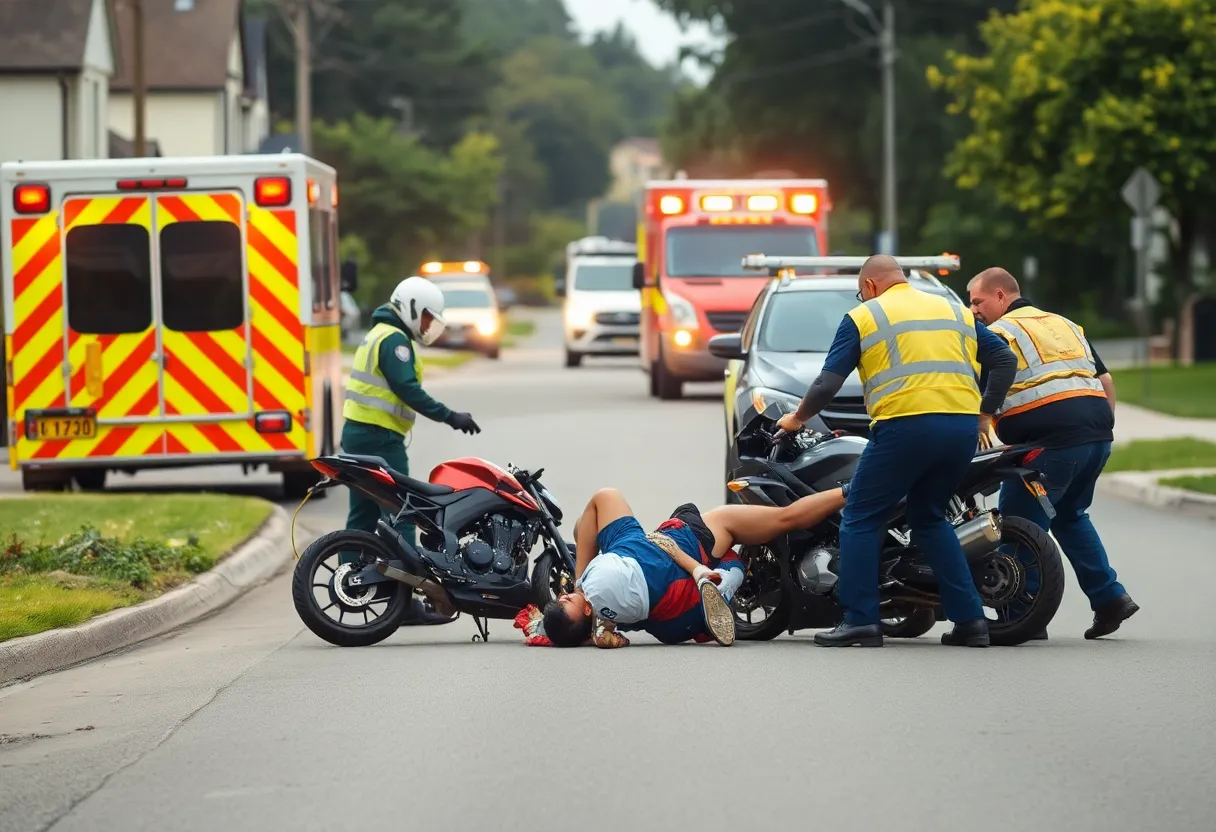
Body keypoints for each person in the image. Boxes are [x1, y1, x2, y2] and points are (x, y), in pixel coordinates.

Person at [776, 254, 1018, 648]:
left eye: (861, 292)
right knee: (929, 517)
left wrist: (797, 419)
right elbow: (1004, 360)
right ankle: (972, 622)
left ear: (870, 286)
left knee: (860, 516)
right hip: (959, 430)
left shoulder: (865, 316)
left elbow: (826, 383)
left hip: (907, 427)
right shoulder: (953, 309)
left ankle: (861, 621)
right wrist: (983, 415)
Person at [967, 267, 1137, 640]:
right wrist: (1099, 430)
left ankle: (1022, 614)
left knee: (1016, 524)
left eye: (977, 301)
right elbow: (1105, 381)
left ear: (1000, 295)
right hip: (1095, 438)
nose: (973, 309)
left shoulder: (998, 334)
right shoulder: (1064, 324)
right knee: (1070, 515)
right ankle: (1109, 599)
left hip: (1050, 446)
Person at [542, 486, 850, 647]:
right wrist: (579, 579)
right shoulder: (598, 575)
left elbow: (586, 527)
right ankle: (850, 491)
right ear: (582, 608)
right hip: (690, 541)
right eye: (565, 598)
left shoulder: (610, 624)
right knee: (785, 518)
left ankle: (729, 577)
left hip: (673, 619)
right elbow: (604, 496)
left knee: (728, 561)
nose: (564, 594)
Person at [341, 276, 482, 626]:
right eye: (427, 318)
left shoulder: (378, 333)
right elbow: (407, 389)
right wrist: (450, 416)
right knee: (402, 512)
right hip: (380, 439)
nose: (429, 326)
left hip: (357, 434)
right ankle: (404, 600)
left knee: (361, 516)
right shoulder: (395, 341)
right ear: (411, 308)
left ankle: (345, 580)